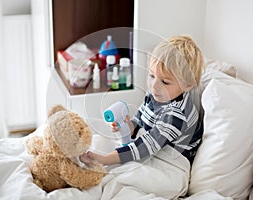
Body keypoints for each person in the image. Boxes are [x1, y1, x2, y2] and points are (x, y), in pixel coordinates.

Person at [81, 35, 205, 167]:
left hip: (173, 163)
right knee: (99, 140)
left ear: (188, 85)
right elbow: (140, 120)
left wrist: (104, 159)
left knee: (124, 173)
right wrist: (128, 127)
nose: (154, 85)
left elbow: (144, 147)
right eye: (152, 75)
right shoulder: (156, 94)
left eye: (165, 82)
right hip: (152, 146)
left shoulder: (176, 115)